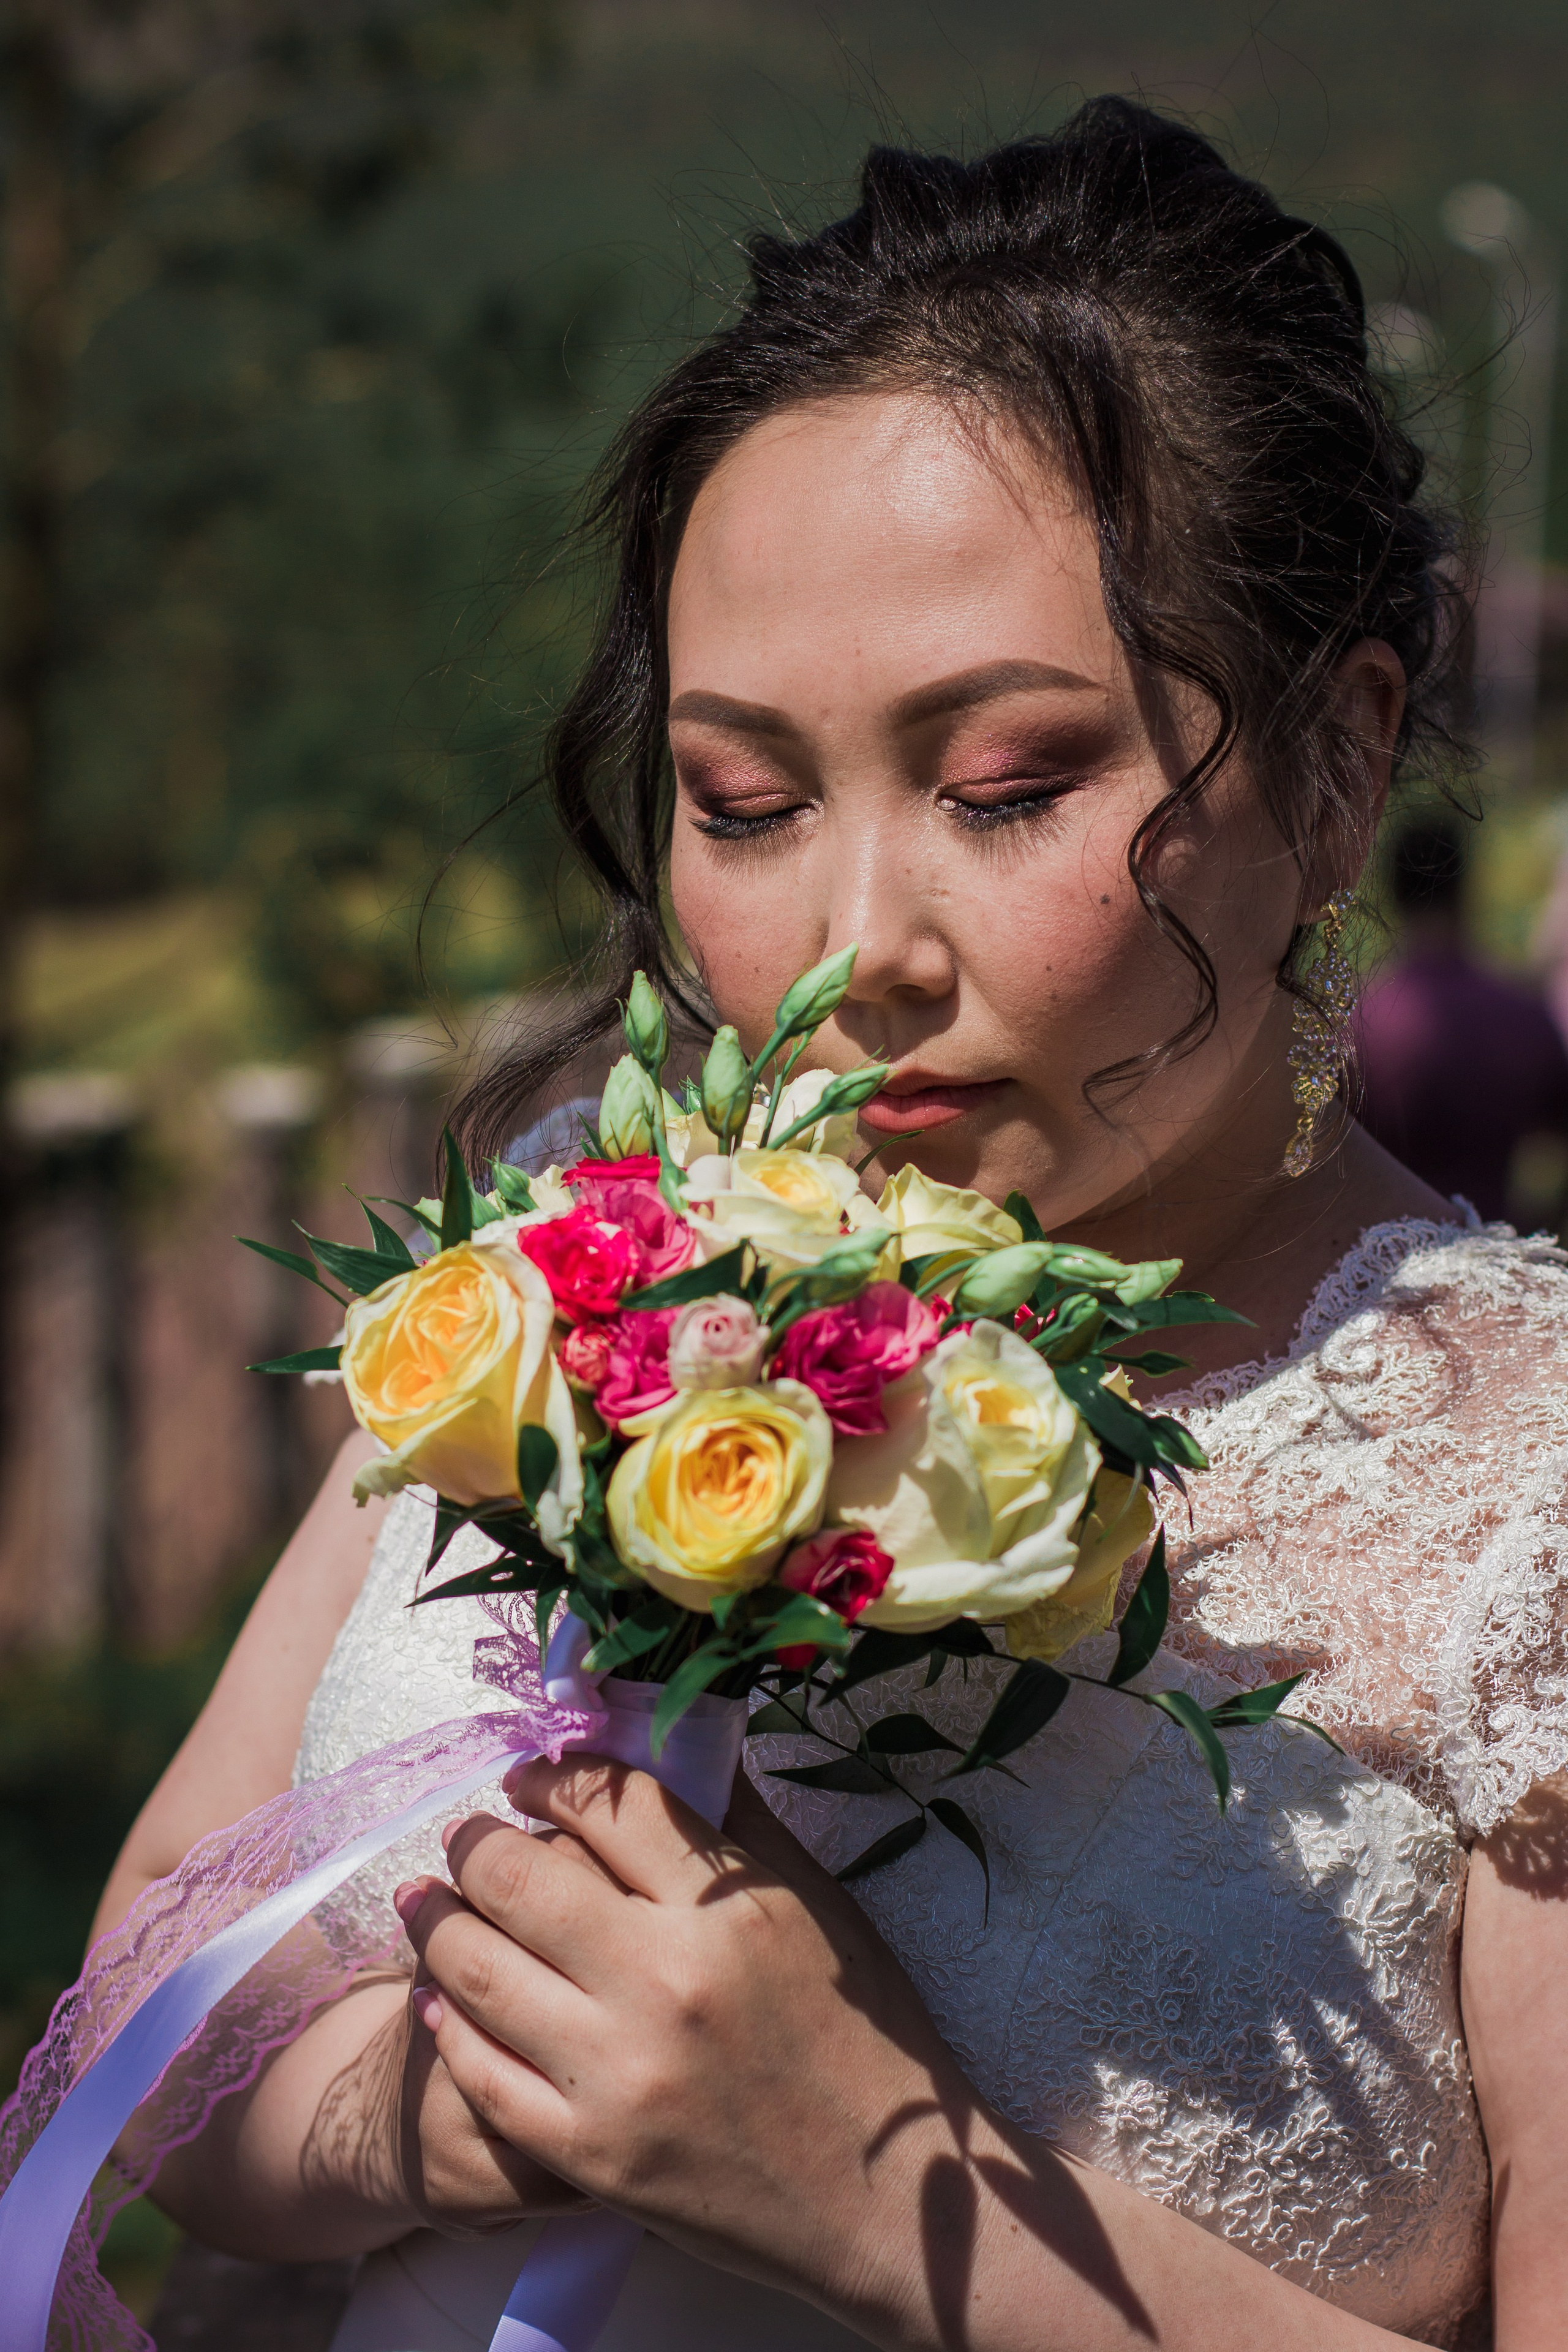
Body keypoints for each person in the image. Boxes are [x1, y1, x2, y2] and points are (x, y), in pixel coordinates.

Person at [92, 103, 1568, 2351]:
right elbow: (153, 2009)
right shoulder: (577, 1266)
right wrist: (464, 2108)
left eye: (1002, 788)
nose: (850, 938)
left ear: (1342, 761)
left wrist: (871, 2184)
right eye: (744, 802)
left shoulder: (1524, 1500)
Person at [1357, 812, 1568, 1219]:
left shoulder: (1361, 1022)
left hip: (1383, 1259)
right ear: (1465, 889)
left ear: (1393, 893)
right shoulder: (1521, 1014)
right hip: (1492, 1245)